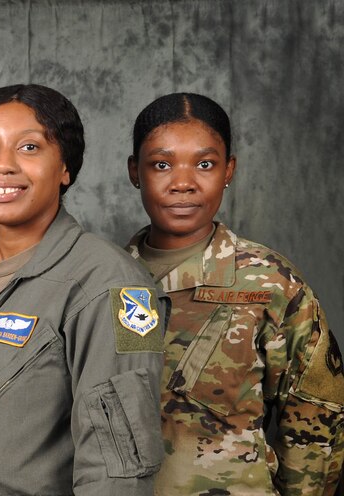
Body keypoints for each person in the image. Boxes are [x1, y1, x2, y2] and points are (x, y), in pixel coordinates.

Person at [0, 84, 166, 494]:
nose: (3, 166)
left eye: (29, 148)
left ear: (65, 167)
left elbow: (118, 471)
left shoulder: (108, 284)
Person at [124, 92, 344, 495]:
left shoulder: (271, 283)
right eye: (161, 164)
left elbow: (315, 417)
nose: (184, 183)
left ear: (229, 170)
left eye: (205, 164)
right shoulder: (103, 278)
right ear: (135, 171)